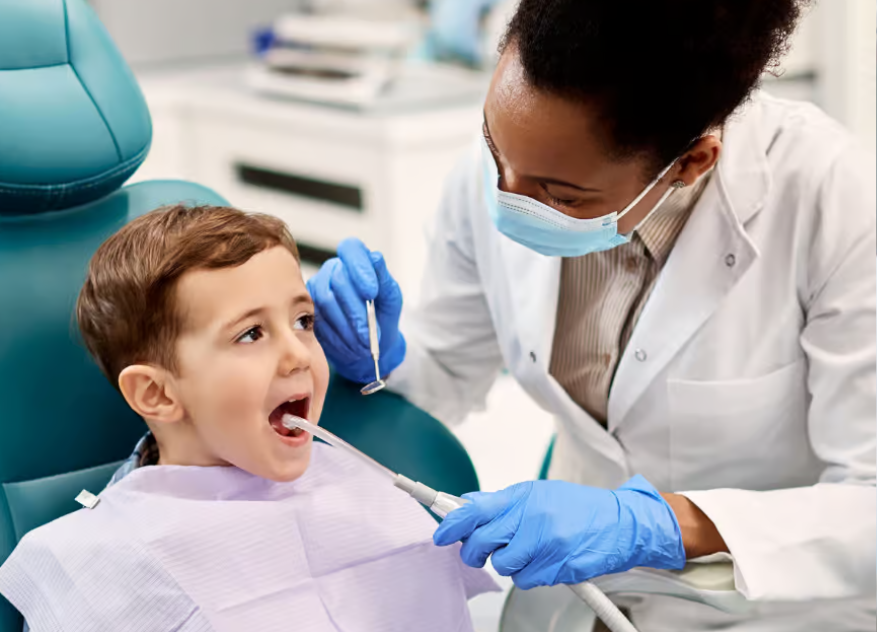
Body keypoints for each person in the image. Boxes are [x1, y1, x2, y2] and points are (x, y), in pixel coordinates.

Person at [307, 0, 877, 630]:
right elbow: (446, 370)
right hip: (570, 590)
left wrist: (661, 525)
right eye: (495, 150)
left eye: (562, 195)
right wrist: (373, 361)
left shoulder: (835, 201)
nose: (506, 198)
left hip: (769, 604)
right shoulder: (514, 166)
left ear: (692, 162)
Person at [0, 205, 496, 632]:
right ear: (157, 393)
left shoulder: (366, 492)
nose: (298, 354)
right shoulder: (99, 565)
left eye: (303, 321)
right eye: (251, 334)